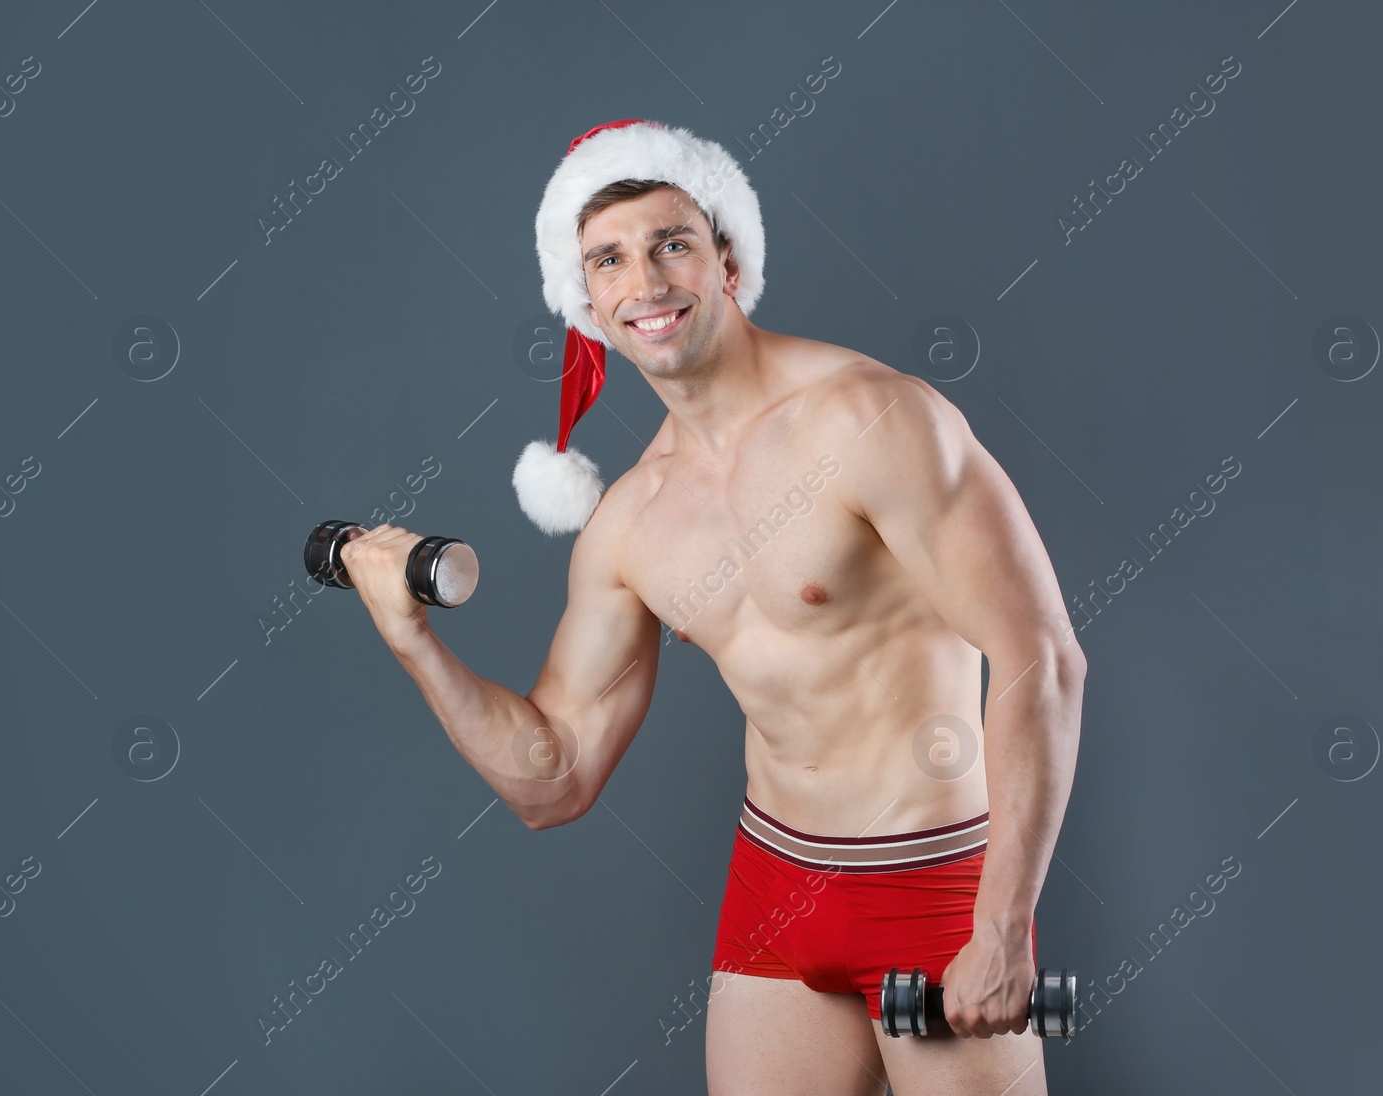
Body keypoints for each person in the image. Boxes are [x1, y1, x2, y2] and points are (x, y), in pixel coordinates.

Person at [339, 119, 1085, 1095]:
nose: (644, 282)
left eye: (670, 244)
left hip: (934, 881)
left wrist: (1000, 925)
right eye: (608, 259)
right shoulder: (628, 524)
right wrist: (413, 640)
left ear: (727, 259)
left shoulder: (873, 418)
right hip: (777, 889)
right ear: (585, 301)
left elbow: (1041, 657)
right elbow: (552, 779)